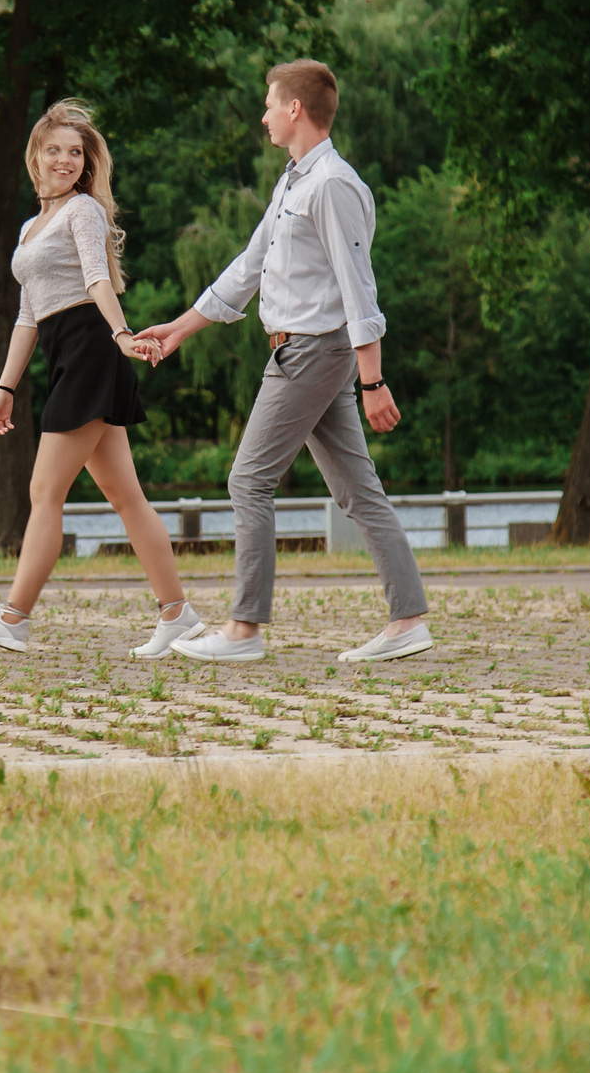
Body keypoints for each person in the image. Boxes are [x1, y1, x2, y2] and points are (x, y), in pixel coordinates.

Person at [139, 60, 430, 664]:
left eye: (270, 103)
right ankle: (408, 621)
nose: (264, 115)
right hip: (305, 350)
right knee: (357, 490)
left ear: (295, 108)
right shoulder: (294, 182)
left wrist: (374, 380)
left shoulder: (333, 186)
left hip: (312, 352)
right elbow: (250, 265)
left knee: (248, 480)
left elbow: (358, 287)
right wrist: (180, 329)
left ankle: (244, 630)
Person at [0, 101, 208, 658]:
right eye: (54, 150)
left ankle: (13, 619)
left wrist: (121, 335)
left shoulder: (82, 210)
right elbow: (27, 315)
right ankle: (178, 614)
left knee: (45, 492)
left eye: (75, 152)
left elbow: (96, 278)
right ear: (35, 158)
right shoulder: (30, 227)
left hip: (91, 349)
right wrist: (4, 388)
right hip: (65, 352)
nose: (64, 160)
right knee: (127, 497)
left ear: (86, 163)